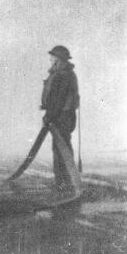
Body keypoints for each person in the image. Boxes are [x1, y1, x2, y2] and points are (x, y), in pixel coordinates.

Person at [41, 45, 79, 189]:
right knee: (61, 147)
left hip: (62, 116)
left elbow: (58, 99)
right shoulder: (63, 73)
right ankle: (64, 181)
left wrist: (49, 116)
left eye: (52, 56)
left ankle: (65, 182)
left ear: (58, 59)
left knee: (61, 148)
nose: (50, 59)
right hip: (61, 115)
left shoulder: (63, 75)